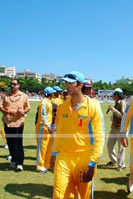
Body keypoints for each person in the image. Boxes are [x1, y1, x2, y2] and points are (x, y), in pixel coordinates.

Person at [50, 71, 105, 199]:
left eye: (70, 83)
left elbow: (99, 137)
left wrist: (92, 164)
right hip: (64, 157)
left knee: (85, 195)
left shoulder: (93, 107)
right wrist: (54, 153)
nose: (66, 86)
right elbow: (60, 132)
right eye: (65, 83)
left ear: (80, 85)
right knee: (59, 195)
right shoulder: (63, 107)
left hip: (84, 157)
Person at [0, 79, 30, 171]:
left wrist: (23, 112)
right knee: (10, 142)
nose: (12, 86)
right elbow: (0, 106)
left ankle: (20, 163)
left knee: (18, 143)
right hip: (7, 122)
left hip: (18, 123)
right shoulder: (5, 95)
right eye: (11, 84)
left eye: (14, 84)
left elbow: (28, 107)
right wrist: (7, 111)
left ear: (18, 85)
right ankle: (13, 160)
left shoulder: (24, 96)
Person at [35, 87, 55, 174]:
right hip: (42, 128)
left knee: (48, 147)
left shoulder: (48, 102)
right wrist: (48, 126)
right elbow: (43, 116)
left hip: (48, 128)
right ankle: (40, 165)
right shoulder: (44, 102)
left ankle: (47, 164)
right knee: (42, 147)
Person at [106, 88, 127, 171]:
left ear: (117, 95)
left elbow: (122, 116)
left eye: (114, 95)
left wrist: (113, 109)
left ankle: (122, 165)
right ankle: (113, 160)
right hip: (114, 128)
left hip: (120, 129)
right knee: (109, 145)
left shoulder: (123, 103)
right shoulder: (116, 103)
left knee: (121, 148)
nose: (113, 97)